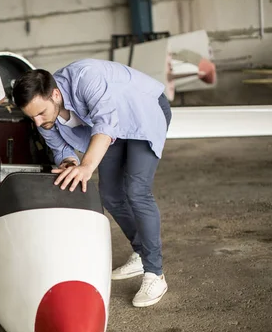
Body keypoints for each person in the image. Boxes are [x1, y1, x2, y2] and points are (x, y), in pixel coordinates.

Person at [11, 58, 172, 307]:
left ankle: (155, 273)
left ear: (55, 94)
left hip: (144, 110)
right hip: (115, 128)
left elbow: (106, 124)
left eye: (41, 113)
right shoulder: (43, 117)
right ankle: (142, 252)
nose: (38, 123)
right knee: (109, 194)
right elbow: (60, 146)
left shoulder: (86, 77)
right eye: (32, 118)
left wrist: (87, 166)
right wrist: (69, 162)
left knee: (136, 190)